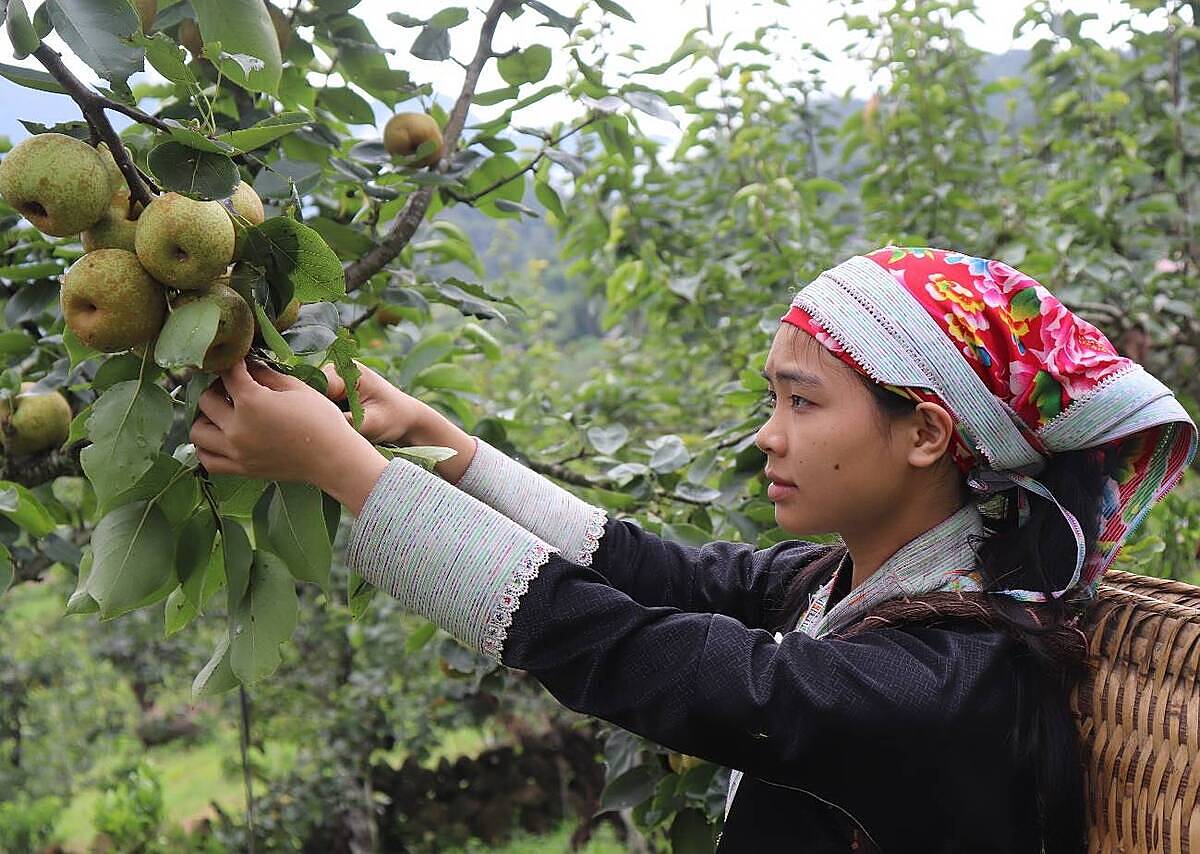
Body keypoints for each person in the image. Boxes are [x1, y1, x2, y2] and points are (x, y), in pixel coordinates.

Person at [190, 246, 1197, 853]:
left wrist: (348, 474)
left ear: (928, 433)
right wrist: (441, 443)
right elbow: (644, 568)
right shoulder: (855, 586)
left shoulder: (935, 682)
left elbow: (631, 651)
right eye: (773, 398)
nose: (769, 435)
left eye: (802, 401)